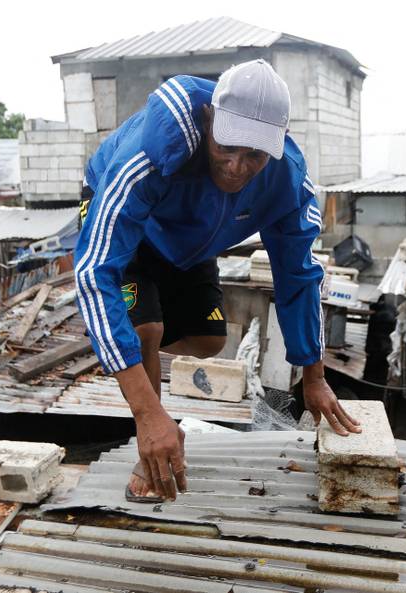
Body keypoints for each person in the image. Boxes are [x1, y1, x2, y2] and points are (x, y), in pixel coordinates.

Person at [74, 59, 360, 503]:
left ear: (277, 145)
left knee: (208, 340)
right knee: (144, 328)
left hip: (192, 235)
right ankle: (147, 433)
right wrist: (148, 410)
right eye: (226, 146)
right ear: (209, 120)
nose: (236, 166)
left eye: (255, 155)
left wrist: (314, 375)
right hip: (130, 224)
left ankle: (118, 339)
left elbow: (298, 277)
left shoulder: (289, 183)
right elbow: (94, 271)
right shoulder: (147, 156)